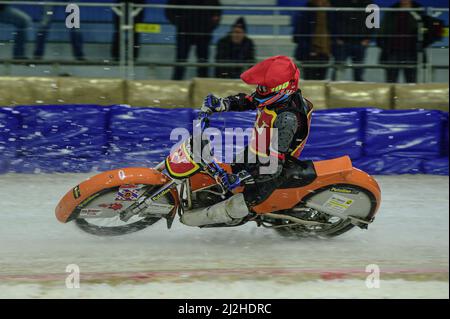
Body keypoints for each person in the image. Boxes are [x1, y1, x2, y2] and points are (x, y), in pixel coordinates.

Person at [181, 56, 314, 227]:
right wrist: (223, 104)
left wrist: (243, 177)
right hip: (258, 149)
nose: (260, 91)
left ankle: (238, 213)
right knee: (225, 176)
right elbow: (250, 101)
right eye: (261, 86)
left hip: (274, 168)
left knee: (237, 205)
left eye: (265, 88)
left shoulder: (287, 118)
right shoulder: (277, 97)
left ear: (283, 89)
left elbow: (273, 166)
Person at [165, 0, 222, 80]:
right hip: (184, 32)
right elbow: (170, 10)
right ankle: (176, 85)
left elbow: (217, 11)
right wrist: (180, 23)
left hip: (203, 33)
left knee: (203, 63)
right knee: (180, 61)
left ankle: (203, 86)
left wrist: (209, 26)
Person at [377, 0, 423, 83]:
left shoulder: (419, 10)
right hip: (393, 52)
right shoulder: (391, 10)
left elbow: (421, 28)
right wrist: (383, 45)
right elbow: (383, 30)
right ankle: (391, 96)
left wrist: (411, 11)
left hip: (411, 52)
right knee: (391, 81)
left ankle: (410, 96)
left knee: (411, 82)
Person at [331, 0, 373, 81]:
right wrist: (337, 37)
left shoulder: (367, 3)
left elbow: (373, 21)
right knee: (338, 70)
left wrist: (368, 38)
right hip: (343, 41)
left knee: (358, 71)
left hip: (360, 41)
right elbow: (333, 19)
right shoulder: (340, 2)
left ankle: (359, 91)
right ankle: (333, 88)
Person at [293, 0, 333, 80]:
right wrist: (309, 49)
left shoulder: (330, 12)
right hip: (309, 53)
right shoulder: (306, 11)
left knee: (321, 80)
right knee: (310, 80)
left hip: (324, 53)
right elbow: (298, 35)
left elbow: (333, 30)